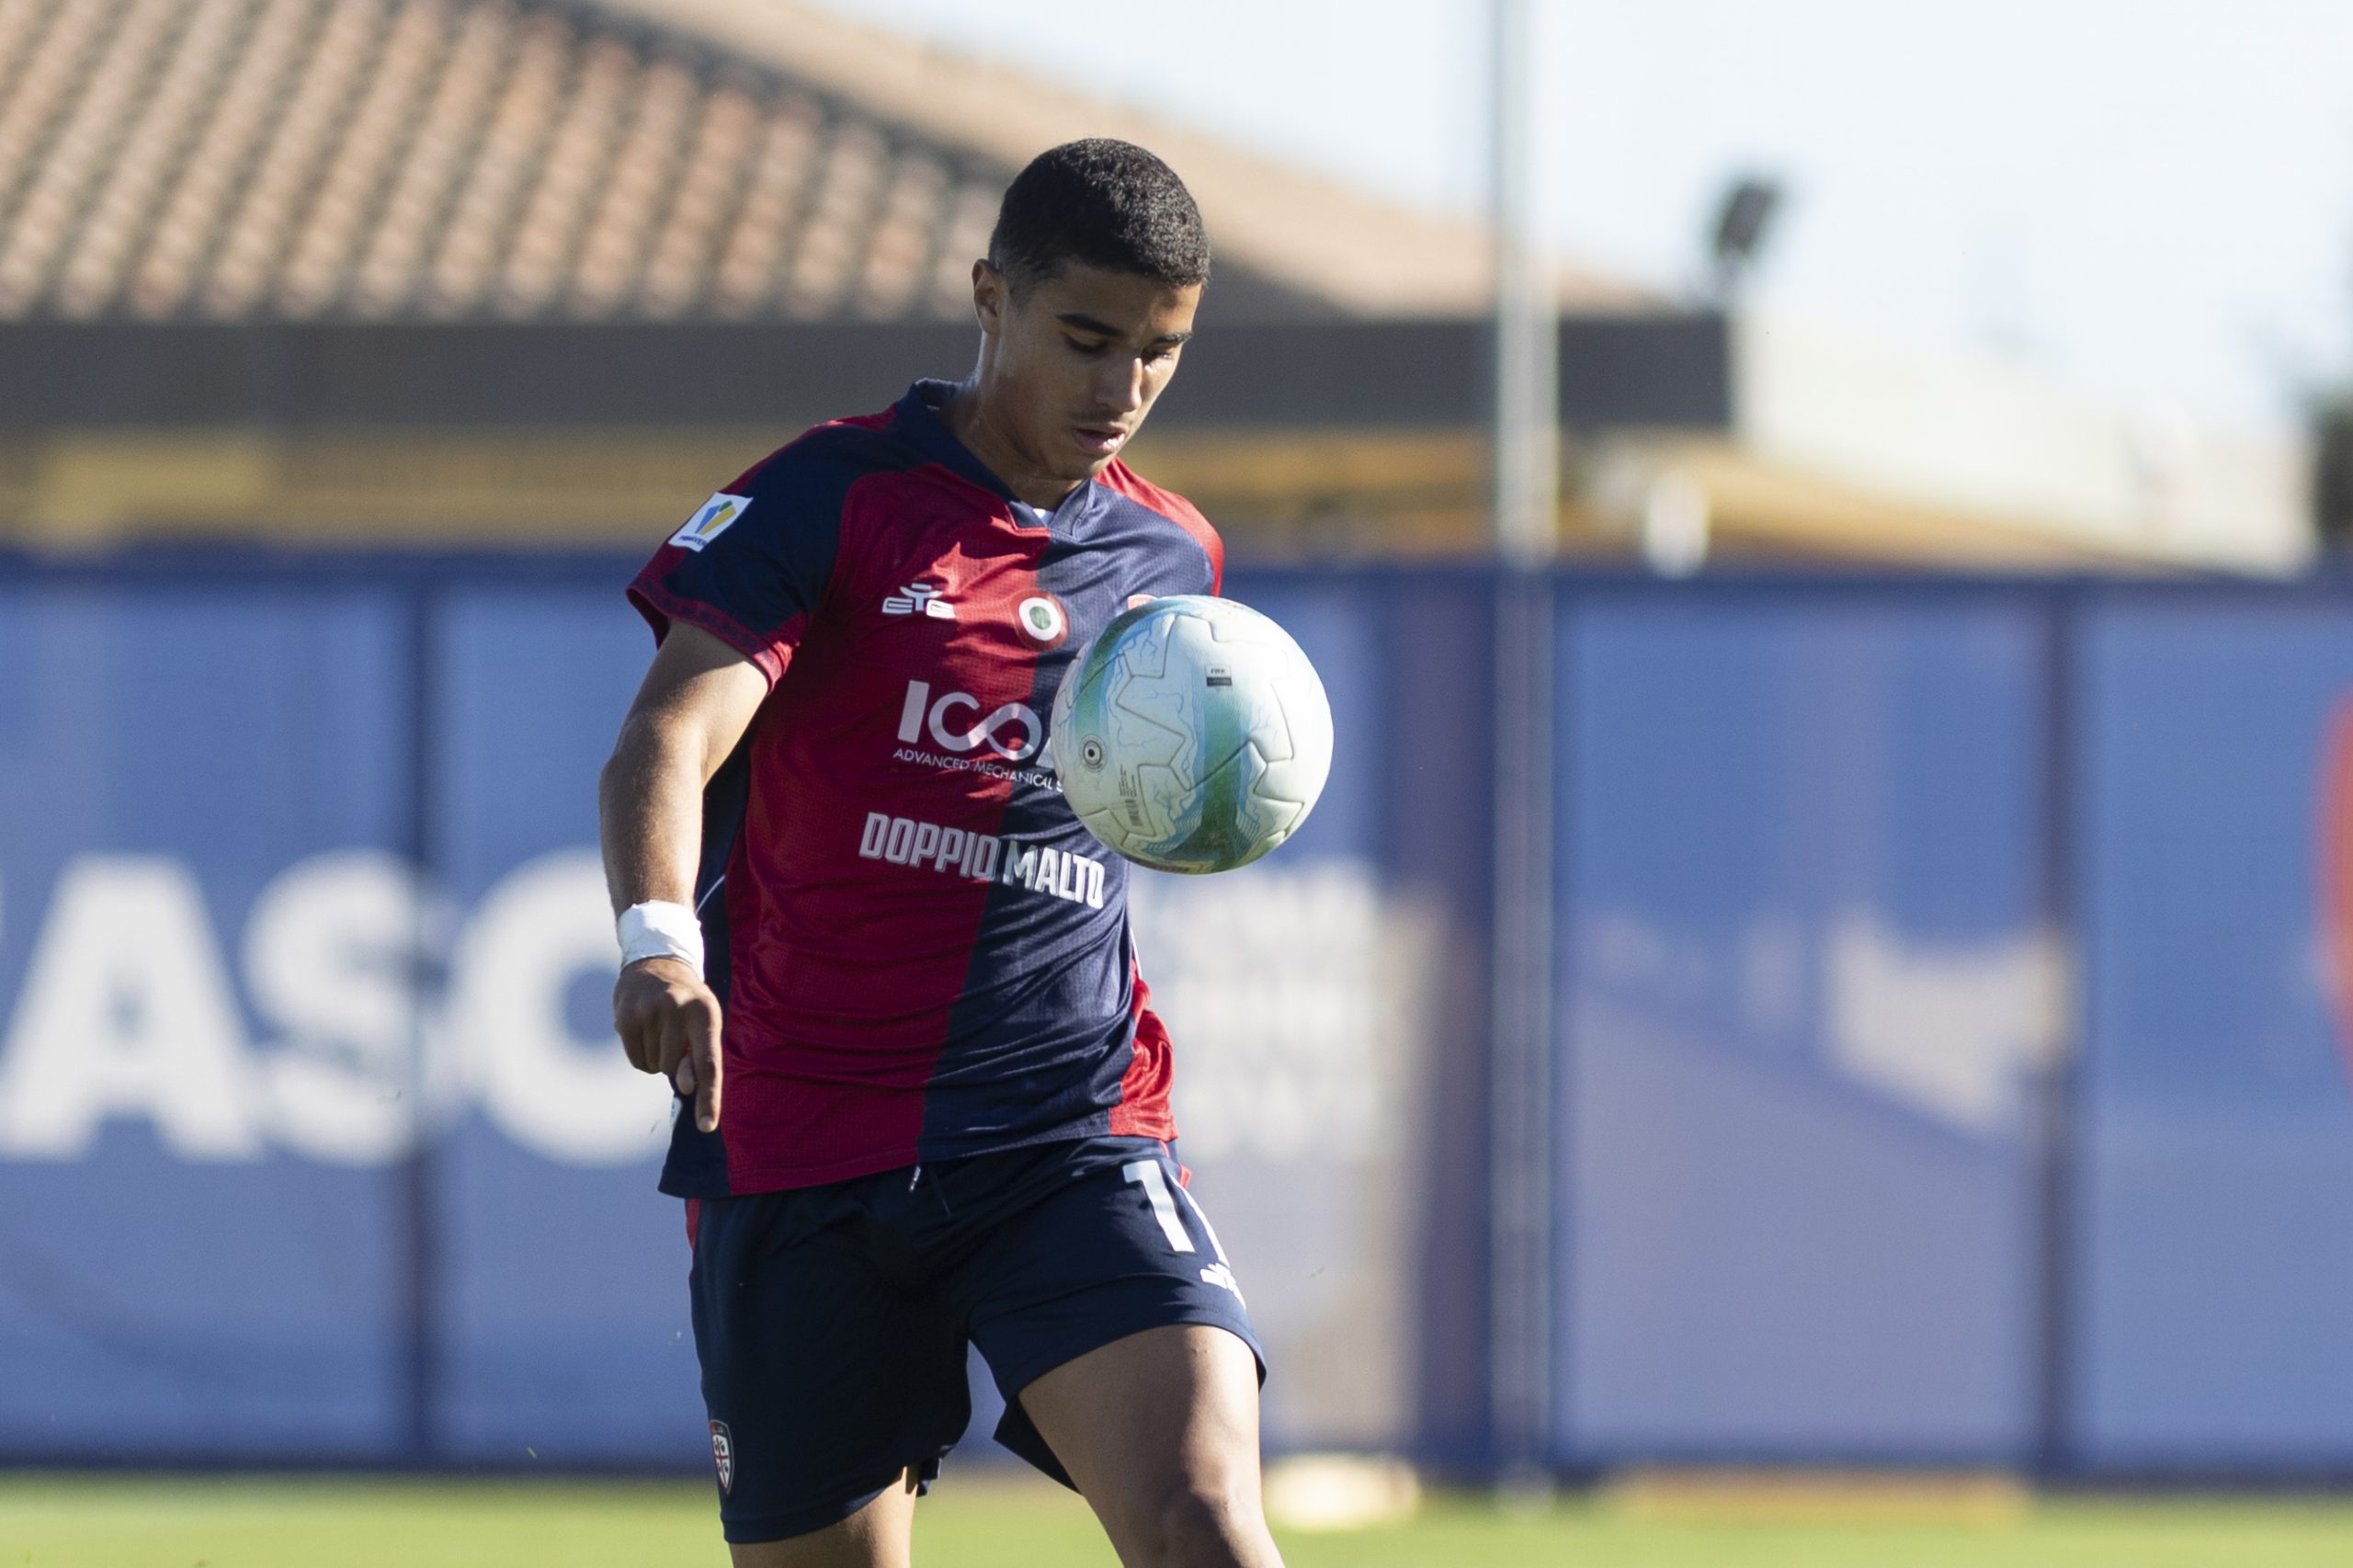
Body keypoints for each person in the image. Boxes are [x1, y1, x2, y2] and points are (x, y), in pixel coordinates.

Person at [598, 139, 1283, 1568]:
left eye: (1162, 353)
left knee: (1208, 1522)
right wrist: (658, 941)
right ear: (991, 297)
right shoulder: (828, 496)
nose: (1121, 391)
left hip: (1069, 1132)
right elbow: (667, 735)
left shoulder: (1176, 564)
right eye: (1086, 340)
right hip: (801, 1141)